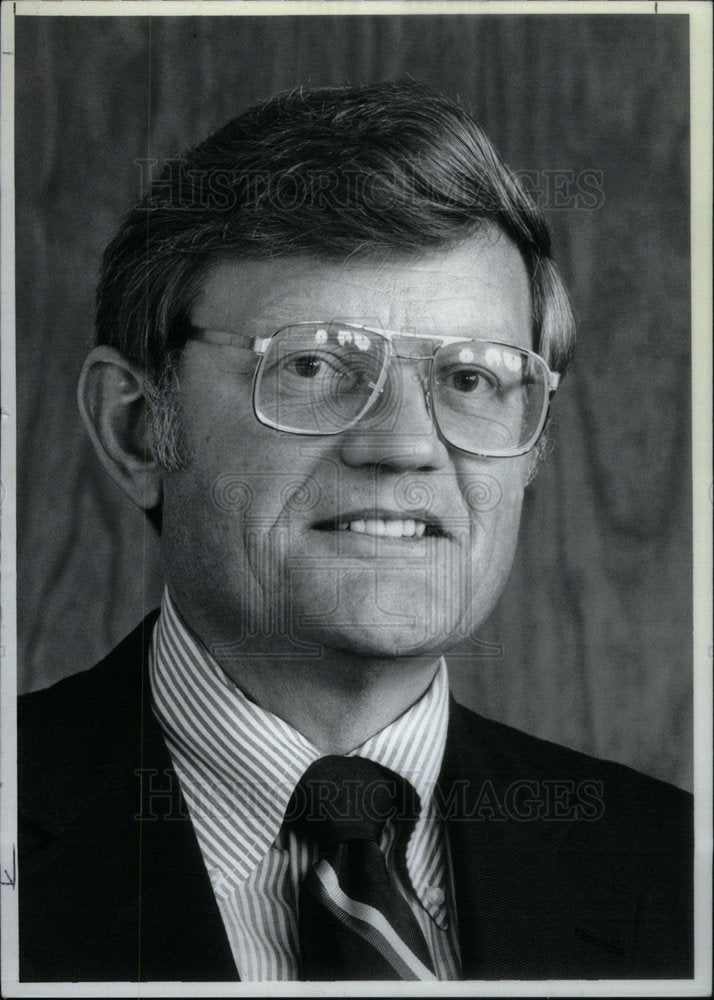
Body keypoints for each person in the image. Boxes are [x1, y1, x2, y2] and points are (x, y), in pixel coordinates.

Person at [18, 80, 692, 983]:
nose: (405, 446)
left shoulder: (674, 874)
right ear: (140, 427)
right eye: (313, 364)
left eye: (471, 379)